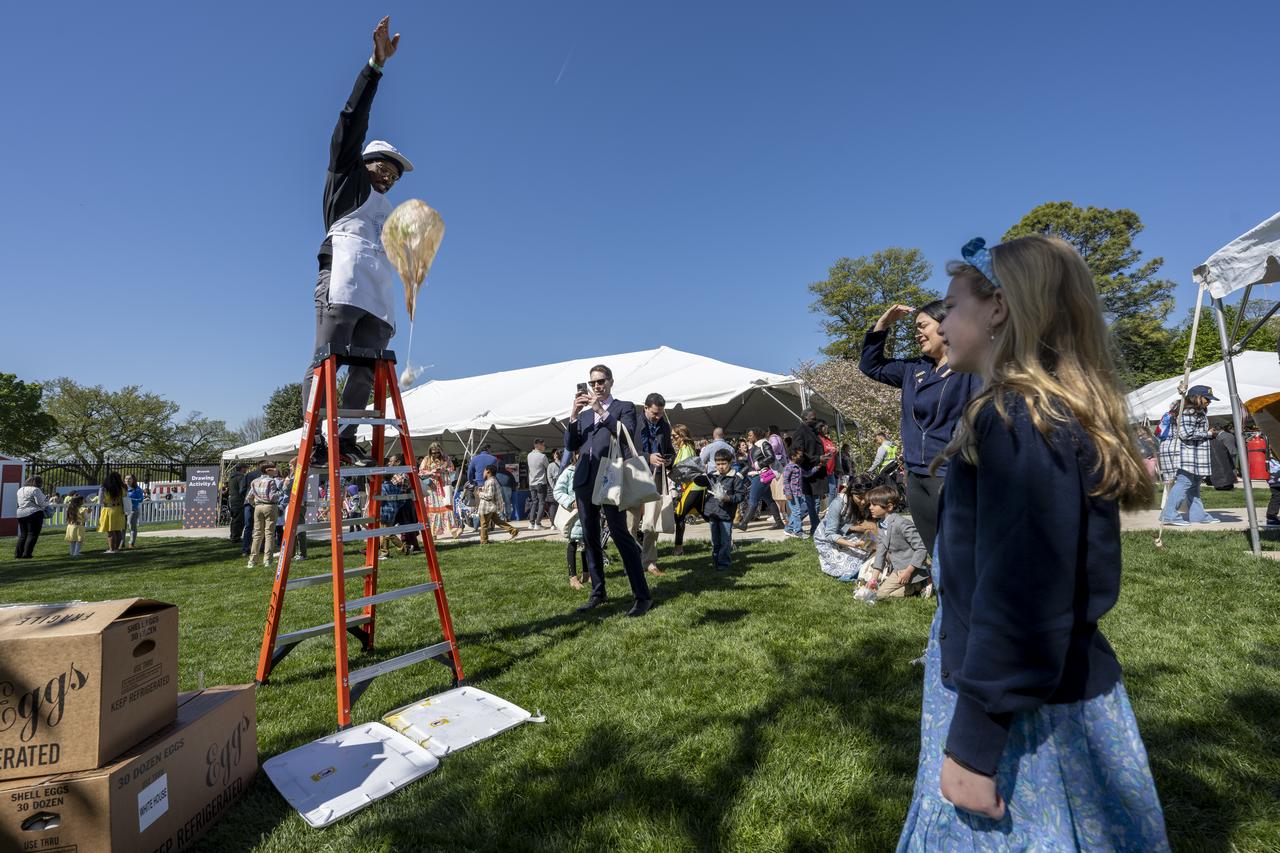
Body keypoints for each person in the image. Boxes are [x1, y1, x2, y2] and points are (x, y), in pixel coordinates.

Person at [897, 235, 1168, 848]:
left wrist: (972, 747)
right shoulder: (1032, 415)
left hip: (1022, 719)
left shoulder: (1018, 422)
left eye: (951, 305)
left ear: (997, 309)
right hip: (1037, 690)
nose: (941, 320)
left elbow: (1022, 596)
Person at [301, 16, 411, 468]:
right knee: (327, 359)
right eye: (383, 163)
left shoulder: (389, 212)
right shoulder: (346, 180)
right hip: (343, 282)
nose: (389, 172)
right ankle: (314, 436)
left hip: (378, 294)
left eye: (396, 170)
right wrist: (374, 67)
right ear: (364, 161)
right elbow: (351, 120)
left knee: (368, 369)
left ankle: (344, 439)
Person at [860, 299, 983, 556]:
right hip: (916, 477)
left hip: (951, 474)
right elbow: (871, 366)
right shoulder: (914, 369)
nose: (917, 333)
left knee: (961, 553)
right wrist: (882, 325)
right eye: (915, 327)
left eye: (923, 326)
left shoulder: (971, 368)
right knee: (935, 552)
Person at [567, 364, 652, 616]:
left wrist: (599, 410)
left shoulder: (624, 407)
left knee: (620, 534)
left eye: (601, 381)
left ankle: (642, 595)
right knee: (590, 538)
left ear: (611, 382)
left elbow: (625, 434)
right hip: (584, 479)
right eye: (592, 383)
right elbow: (572, 444)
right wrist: (573, 414)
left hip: (610, 477)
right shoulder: (582, 416)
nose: (596, 386)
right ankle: (598, 592)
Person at [1158, 387, 1220, 526]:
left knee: (1194, 484)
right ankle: (1168, 515)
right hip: (1184, 451)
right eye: (1207, 399)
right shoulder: (1189, 411)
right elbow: (1185, 434)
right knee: (1185, 482)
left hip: (1191, 451)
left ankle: (1197, 515)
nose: (1209, 402)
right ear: (1196, 397)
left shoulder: (1193, 411)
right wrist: (1208, 434)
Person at [629, 393, 675, 576]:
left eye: (661, 413)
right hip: (635, 475)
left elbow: (669, 450)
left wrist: (668, 459)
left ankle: (649, 561)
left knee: (652, 521)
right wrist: (648, 457)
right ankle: (631, 563)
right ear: (645, 408)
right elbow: (626, 449)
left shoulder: (664, 425)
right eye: (655, 413)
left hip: (656, 476)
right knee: (630, 522)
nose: (658, 417)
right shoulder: (632, 422)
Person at [863, 485, 927, 598]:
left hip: (911, 569)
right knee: (879, 594)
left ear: (889, 507)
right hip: (897, 569)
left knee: (881, 595)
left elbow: (921, 548)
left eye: (874, 504)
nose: (870, 507)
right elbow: (880, 553)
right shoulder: (880, 525)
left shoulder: (902, 524)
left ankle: (920, 584)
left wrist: (908, 571)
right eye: (870, 504)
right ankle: (914, 586)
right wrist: (873, 580)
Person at [814, 476, 874, 579]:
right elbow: (830, 534)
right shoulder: (839, 503)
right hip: (829, 539)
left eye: (867, 497)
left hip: (849, 533)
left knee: (872, 548)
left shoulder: (871, 503)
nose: (864, 502)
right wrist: (852, 544)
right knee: (849, 568)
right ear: (851, 494)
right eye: (859, 498)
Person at [699, 449, 748, 571]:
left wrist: (728, 498)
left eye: (723, 464)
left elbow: (740, 495)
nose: (721, 467)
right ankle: (716, 562)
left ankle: (724, 564)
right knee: (715, 541)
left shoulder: (735, 478)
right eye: (718, 464)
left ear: (730, 463)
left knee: (725, 541)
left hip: (726, 514)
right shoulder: (712, 477)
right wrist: (699, 474)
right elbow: (699, 482)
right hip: (713, 513)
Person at [553, 453, 589, 588]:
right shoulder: (568, 472)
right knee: (573, 543)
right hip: (573, 514)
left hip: (587, 512)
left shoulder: (589, 470)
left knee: (587, 543)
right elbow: (557, 491)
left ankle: (586, 573)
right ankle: (573, 577)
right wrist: (571, 501)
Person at [670, 424, 706, 556]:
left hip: (693, 486)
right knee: (708, 515)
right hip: (692, 487)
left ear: (682, 436)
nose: (672, 438)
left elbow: (684, 470)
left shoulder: (686, 448)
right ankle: (726, 541)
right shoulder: (683, 448)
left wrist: (670, 468)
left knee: (679, 515)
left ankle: (678, 548)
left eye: (674, 436)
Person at [738, 428, 784, 530]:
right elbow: (750, 465)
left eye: (750, 435)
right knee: (769, 500)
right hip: (758, 475)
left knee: (753, 499)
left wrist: (759, 464)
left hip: (762, 475)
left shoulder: (764, 444)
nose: (748, 437)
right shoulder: (753, 447)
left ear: (756, 435)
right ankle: (779, 523)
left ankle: (743, 524)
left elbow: (771, 457)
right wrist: (740, 474)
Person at [792, 411, 827, 535]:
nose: (815, 420)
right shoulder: (800, 432)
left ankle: (815, 527)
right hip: (809, 472)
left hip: (817, 471)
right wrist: (818, 459)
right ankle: (809, 527)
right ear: (804, 418)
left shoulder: (813, 430)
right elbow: (798, 452)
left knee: (815, 502)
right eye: (813, 418)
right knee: (811, 502)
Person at [419, 442, 461, 539]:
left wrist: (443, 470)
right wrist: (431, 472)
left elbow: (452, 468)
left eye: (437, 452)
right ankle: (433, 533)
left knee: (448, 506)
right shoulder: (426, 459)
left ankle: (454, 531)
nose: (435, 454)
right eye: (433, 453)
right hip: (432, 486)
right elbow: (420, 472)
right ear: (430, 452)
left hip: (444, 485)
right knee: (433, 509)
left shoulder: (445, 458)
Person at [476, 465, 519, 543]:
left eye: (484, 471)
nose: (483, 473)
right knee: (498, 521)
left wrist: (480, 493)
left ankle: (484, 541)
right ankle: (513, 530)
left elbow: (489, 496)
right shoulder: (493, 480)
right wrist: (482, 489)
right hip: (492, 507)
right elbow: (491, 491)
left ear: (488, 471)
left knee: (484, 524)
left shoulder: (490, 482)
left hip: (487, 507)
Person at [246, 467, 279, 568]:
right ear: (268, 470)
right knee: (269, 534)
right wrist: (280, 493)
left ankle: (252, 561)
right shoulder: (271, 481)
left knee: (257, 534)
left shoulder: (255, 481)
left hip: (258, 507)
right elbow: (272, 496)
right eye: (274, 469)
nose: (276, 471)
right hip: (270, 506)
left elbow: (249, 497)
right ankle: (267, 560)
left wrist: (255, 505)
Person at [14, 476, 49, 559]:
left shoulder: (20, 490)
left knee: (23, 535)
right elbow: (41, 503)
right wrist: (47, 500)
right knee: (32, 534)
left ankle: (18, 553)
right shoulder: (35, 490)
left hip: (20, 513)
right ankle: (27, 553)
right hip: (33, 512)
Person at [98, 472, 128, 554]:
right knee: (118, 530)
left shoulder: (104, 488)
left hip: (108, 509)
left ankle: (111, 549)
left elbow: (100, 501)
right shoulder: (122, 487)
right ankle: (117, 548)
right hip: (119, 510)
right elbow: (125, 498)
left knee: (110, 531)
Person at [526, 438, 551, 529]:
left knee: (534, 502)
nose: (544, 447)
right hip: (540, 482)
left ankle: (531, 523)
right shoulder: (542, 456)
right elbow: (548, 468)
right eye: (543, 445)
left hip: (531, 483)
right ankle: (538, 523)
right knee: (541, 503)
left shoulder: (529, 455)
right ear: (539, 445)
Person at [1208, 424, 1238, 490]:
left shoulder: (1219, 437)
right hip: (1234, 451)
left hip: (1226, 453)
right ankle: (1234, 479)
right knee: (1233, 466)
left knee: (1228, 466)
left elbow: (1219, 445)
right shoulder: (1230, 434)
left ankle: (1229, 480)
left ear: (1217, 430)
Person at [227, 463, 248, 542]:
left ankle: (233, 536)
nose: (246, 470)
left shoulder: (232, 477)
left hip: (232, 499)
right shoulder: (241, 477)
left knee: (234, 519)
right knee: (239, 519)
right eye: (245, 468)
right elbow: (242, 489)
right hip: (239, 500)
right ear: (242, 468)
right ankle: (235, 537)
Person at [124, 475, 145, 548]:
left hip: (133, 510)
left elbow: (141, 499)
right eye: (126, 478)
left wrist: (130, 500)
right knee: (122, 527)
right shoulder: (122, 488)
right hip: (123, 510)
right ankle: (121, 543)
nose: (127, 480)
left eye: (129, 479)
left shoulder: (137, 489)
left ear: (133, 480)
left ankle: (131, 543)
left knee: (132, 527)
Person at [1267, 453, 1280, 526]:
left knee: (1276, 496)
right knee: (1277, 496)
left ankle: (1271, 516)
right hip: (1276, 476)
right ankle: (1271, 516)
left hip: (1273, 478)